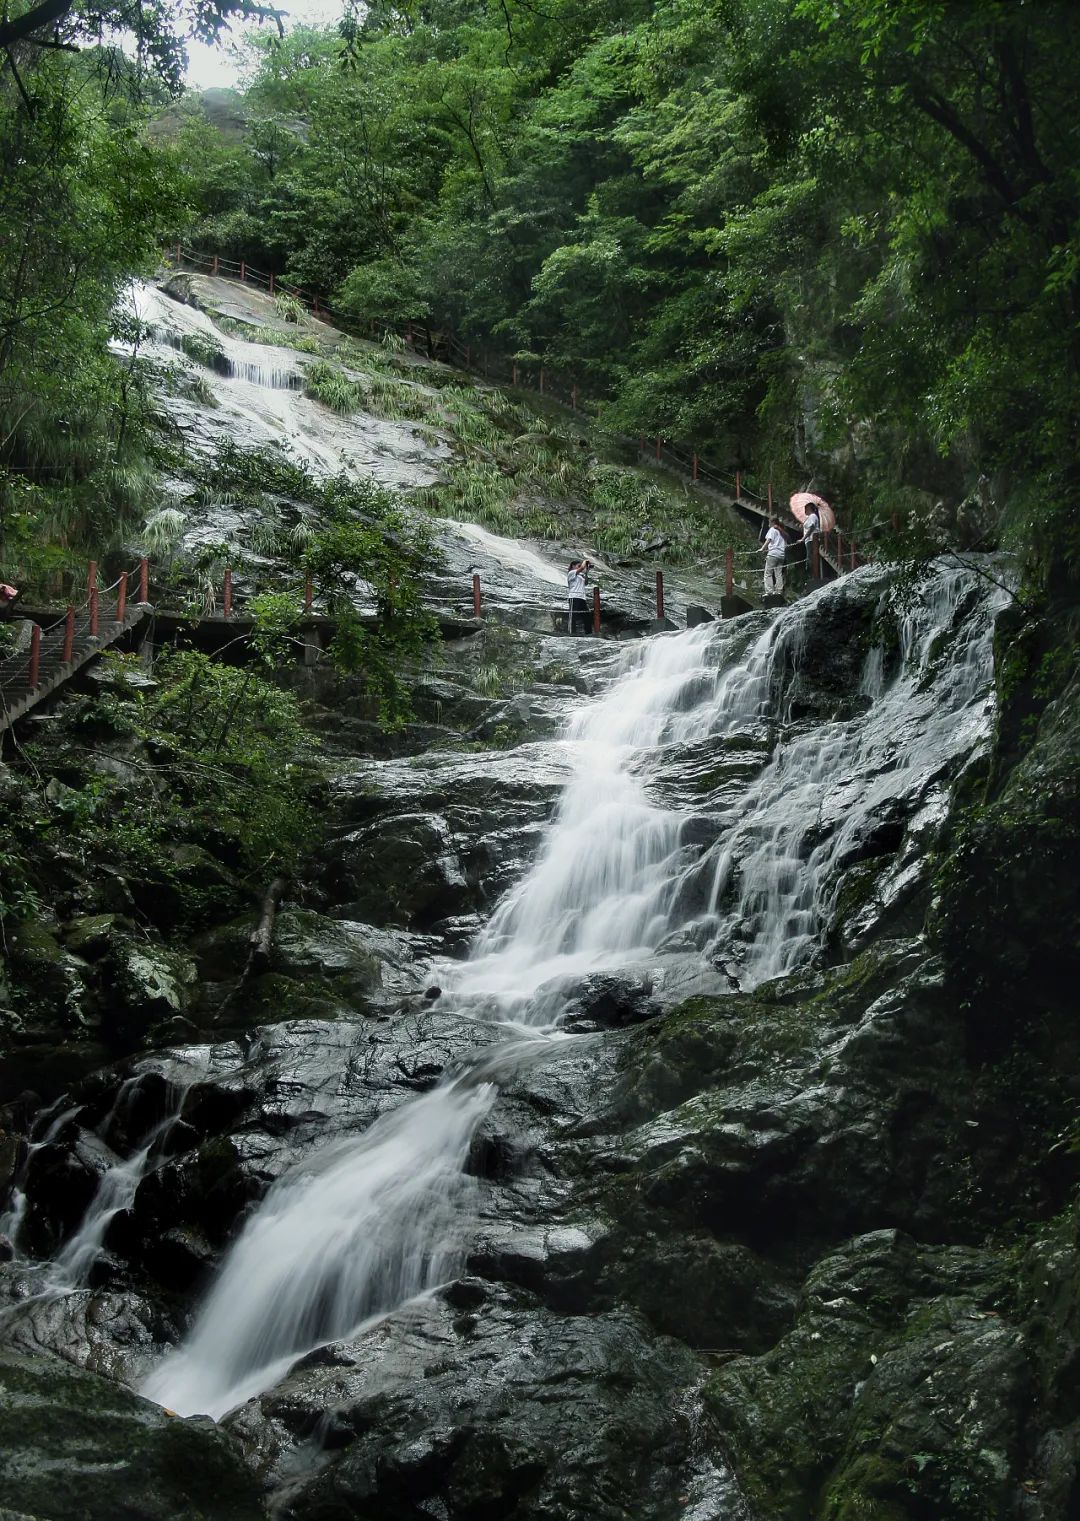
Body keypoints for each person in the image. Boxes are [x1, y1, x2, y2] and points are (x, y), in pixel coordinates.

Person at [758, 519, 787, 595]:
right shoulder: (782, 532)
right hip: (781, 554)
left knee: (768, 573)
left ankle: (769, 591)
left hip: (773, 554)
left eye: (769, 523)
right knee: (778, 574)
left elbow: (768, 540)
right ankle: (779, 591)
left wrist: (762, 549)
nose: (768, 525)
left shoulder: (772, 529)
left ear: (773, 523)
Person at [566, 557, 591, 634]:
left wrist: (587, 571)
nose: (580, 567)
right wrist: (585, 562)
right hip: (574, 597)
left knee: (586, 615)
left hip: (582, 598)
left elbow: (586, 583)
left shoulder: (580, 576)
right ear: (573, 566)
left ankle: (588, 632)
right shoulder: (571, 573)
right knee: (573, 616)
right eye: (578, 565)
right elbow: (582, 567)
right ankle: (572, 632)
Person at [801, 507, 820, 575]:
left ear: (809, 509)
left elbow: (811, 527)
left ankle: (811, 574)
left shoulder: (813, 516)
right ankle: (811, 573)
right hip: (809, 540)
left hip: (811, 539)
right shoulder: (810, 517)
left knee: (810, 557)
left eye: (805, 509)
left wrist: (803, 538)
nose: (805, 511)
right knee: (809, 556)